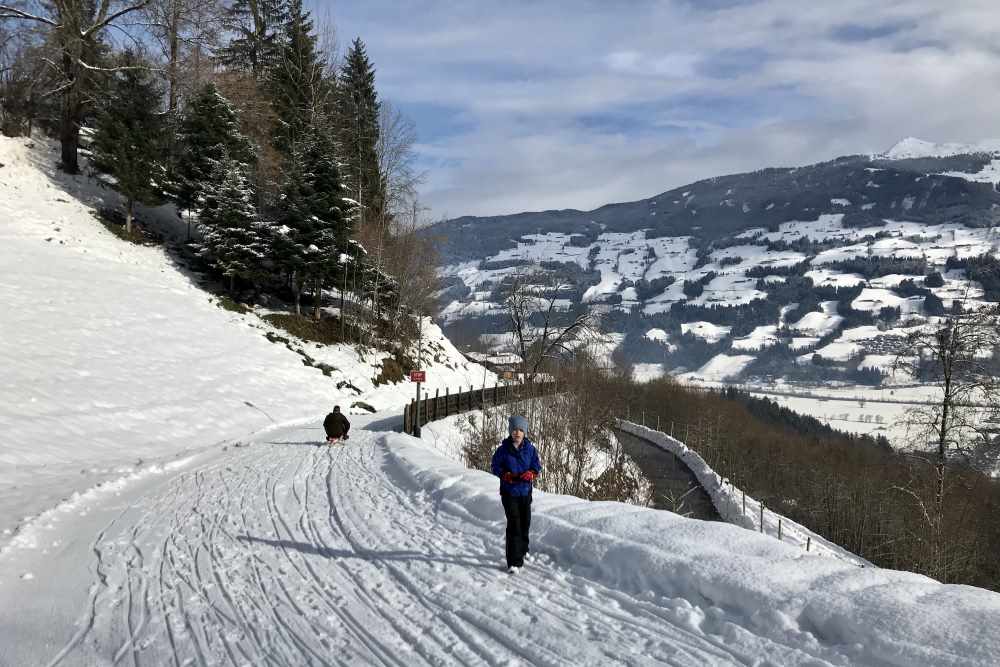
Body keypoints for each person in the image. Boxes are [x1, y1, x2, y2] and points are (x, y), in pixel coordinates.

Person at [490, 414, 542, 574]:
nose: (517, 433)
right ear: (510, 431)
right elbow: (495, 466)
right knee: (514, 524)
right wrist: (505, 474)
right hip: (509, 493)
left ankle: (523, 549)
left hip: (525, 492)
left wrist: (532, 473)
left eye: (520, 430)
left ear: (525, 432)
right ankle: (514, 562)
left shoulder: (530, 449)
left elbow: (537, 466)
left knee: (525, 522)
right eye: (514, 430)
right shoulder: (503, 450)